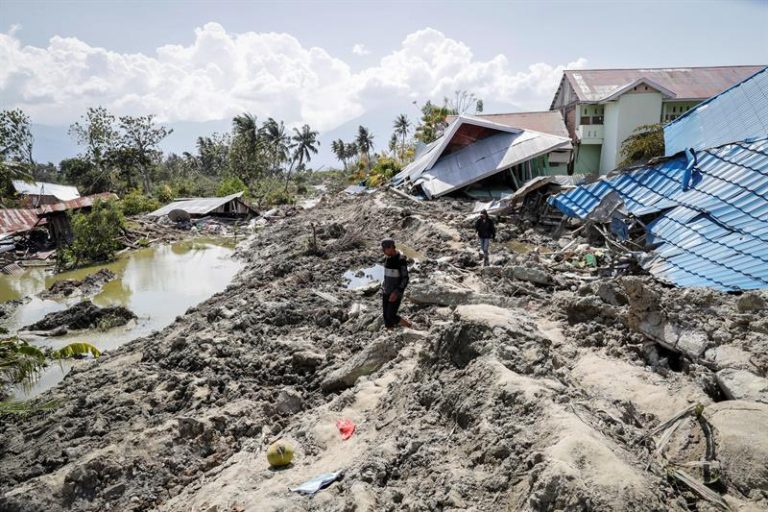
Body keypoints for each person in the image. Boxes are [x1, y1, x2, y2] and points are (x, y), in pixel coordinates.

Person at [380, 239, 412, 329]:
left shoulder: (401, 260)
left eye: (385, 249)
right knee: (386, 316)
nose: (383, 251)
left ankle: (408, 325)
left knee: (391, 315)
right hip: (386, 291)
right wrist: (384, 287)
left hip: (396, 293)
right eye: (383, 249)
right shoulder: (388, 258)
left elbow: (405, 278)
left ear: (391, 247)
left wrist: (396, 292)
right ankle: (390, 332)